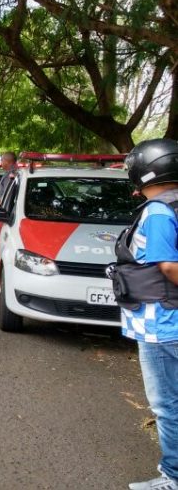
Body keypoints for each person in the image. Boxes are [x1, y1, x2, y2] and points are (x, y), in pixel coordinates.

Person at [110, 139, 178, 490]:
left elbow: (168, 266)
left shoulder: (158, 212)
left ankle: (173, 477)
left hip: (162, 325)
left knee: (168, 406)